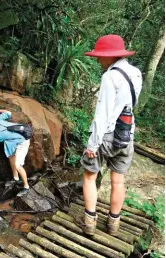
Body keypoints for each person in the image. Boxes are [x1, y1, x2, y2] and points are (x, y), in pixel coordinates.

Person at [76, 35, 142, 236]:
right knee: (118, 180)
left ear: (110, 56)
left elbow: (102, 114)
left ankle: (89, 223)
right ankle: (113, 225)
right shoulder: (136, 73)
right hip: (126, 134)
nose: (97, 60)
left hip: (106, 136)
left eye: (100, 56)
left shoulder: (109, 77)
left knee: (89, 176)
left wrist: (92, 145)